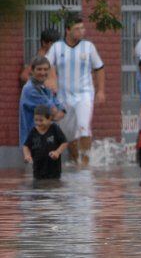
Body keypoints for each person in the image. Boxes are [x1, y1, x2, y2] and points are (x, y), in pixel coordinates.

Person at [45, 12, 105, 166]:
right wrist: (52, 78)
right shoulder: (57, 47)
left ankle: (85, 163)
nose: (82, 31)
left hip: (84, 94)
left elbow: (99, 68)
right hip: (63, 97)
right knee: (68, 133)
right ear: (68, 30)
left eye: (83, 28)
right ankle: (75, 160)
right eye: (78, 29)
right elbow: (47, 63)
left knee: (83, 126)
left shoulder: (89, 47)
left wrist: (100, 91)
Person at [19, 55, 66, 146]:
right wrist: (57, 112)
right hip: (33, 143)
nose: (42, 72)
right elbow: (53, 110)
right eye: (39, 69)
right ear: (32, 71)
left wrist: (62, 111)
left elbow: (59, 106)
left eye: (45, 69)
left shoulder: (44, 87)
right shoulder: (30, 89)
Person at [22, 105, 68, 180]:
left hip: (54, 171)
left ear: (49, 118)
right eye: (36, 120)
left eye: (41, 120)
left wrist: (57, 152)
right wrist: (27, 155)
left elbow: (64, 142)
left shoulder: (54, 128)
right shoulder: (33, 131)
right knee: (38, 188)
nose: (38, 123)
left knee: (53, 187)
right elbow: (26, 146)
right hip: (38, 171)